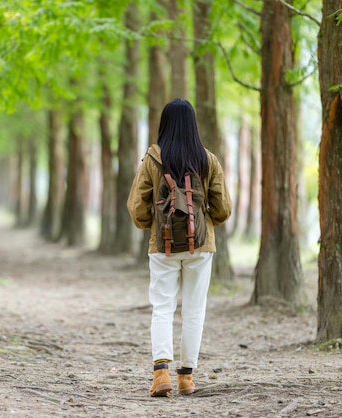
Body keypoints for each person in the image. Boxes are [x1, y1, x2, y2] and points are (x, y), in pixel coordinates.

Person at [127, 98, 232, 397]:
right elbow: (222, 208)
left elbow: (137, 207)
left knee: (162, 307)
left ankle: (161, 374)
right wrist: (203, 221)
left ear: (165, 123)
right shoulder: (207, 159)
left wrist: (152, 224)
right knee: (194, 309)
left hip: (162, 245)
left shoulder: (152, 158)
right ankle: (186, 377)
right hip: (201, 246)